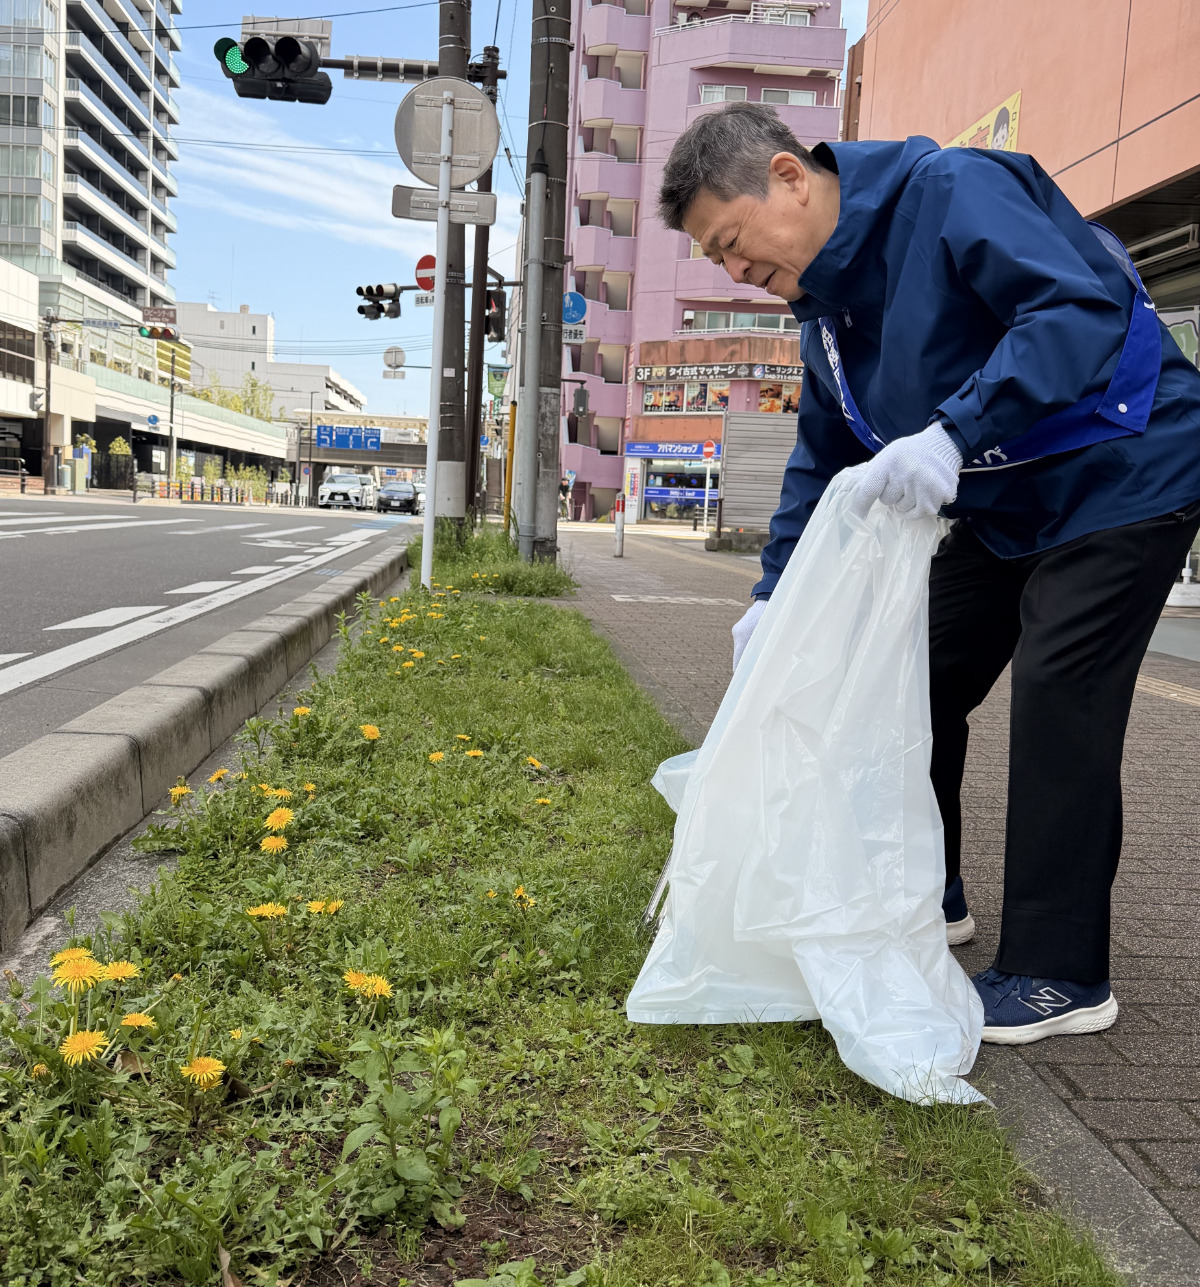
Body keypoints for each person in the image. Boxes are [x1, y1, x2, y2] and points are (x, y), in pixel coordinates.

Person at [658, 103, 1200, 1046]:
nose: (738, 273)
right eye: (719, 262)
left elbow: (1078, 309)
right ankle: (927, 889)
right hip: (1001, 505)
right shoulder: (821, 317)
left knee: (1058, 688)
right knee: (914, 674)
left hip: (1125, 463)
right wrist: (771, 594)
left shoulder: (953, 191)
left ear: (790, 176)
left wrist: (954, 430)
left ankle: (1057, 971)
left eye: (734, 242)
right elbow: (818, 458)